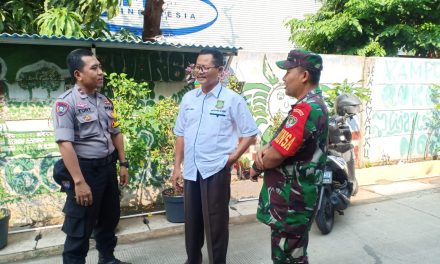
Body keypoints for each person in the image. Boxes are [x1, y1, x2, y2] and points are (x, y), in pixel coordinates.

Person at [172, 47, 259, 264]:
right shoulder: (189, 99)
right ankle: (193, 260)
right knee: (192, 223)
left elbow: (250, 134)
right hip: (192, 171)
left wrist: (231, 159)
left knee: (216, 224)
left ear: (219, 70)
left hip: (216, 170)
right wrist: (176, 167)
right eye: (196, 67)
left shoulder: (232, 100)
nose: (199, 71)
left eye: (204, 67)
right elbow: (180, 134)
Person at [52, 49, 130, 264]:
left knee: (108, 219)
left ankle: (107, 259)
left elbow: (116, 132)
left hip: (107, 169)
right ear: (78, 74)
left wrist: (123, 163)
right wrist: (79, 182)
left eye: (100, 67)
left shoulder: (105, 101)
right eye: (94, 68)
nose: (101, 72)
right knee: (80, 228)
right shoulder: (66, 103)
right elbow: (65, 144)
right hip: (84, 172)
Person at [250, 49, 329, 264]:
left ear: (304, 76)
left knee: (288, 258)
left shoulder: (305, 109)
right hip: (297, 201)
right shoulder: (313, 105)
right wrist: (266, 148)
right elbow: (278, 143)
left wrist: (256, 166)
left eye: (288, 72)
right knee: (294, 255)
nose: (284, 78)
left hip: (291, 203)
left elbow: (275, 155)